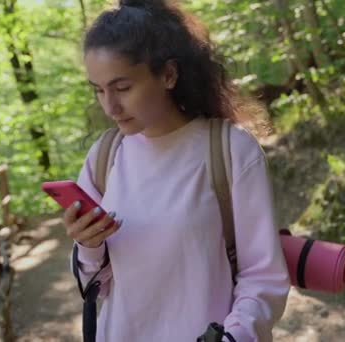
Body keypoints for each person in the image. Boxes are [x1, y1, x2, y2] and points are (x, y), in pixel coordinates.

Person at [62, 0, 290, 340]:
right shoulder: (105, 156)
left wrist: (233, 336)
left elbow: (263, 274)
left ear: (168, 74)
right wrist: (88, 244)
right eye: (99, 91)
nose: (110, 106)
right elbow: (98, 286)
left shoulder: (229, 149)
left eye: (123, 88)